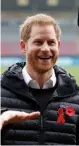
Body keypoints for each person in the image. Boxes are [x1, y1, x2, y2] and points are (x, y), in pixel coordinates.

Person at [1, 13, 79, 145]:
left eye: (51, 42)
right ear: (23, 46)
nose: (45, 48)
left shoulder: (75, 97)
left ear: (58, 46)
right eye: (38, 42)